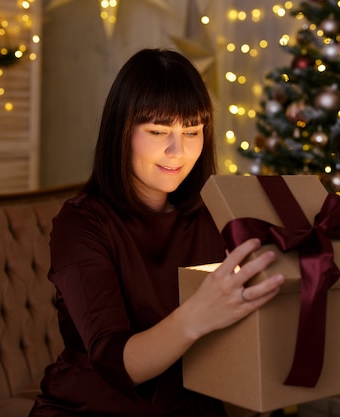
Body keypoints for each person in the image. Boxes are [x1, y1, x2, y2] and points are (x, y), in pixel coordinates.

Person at [29, 48, 285, 417]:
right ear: (122, 130)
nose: (177, 151)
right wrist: (196, 315)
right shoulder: (81, 224)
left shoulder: (213, 216)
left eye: (192, 131)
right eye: (158, 131)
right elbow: (116, 362)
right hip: (94, 407)